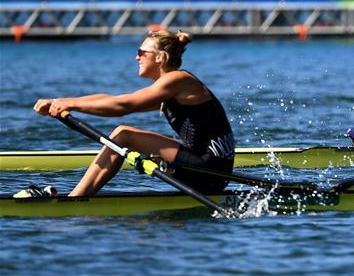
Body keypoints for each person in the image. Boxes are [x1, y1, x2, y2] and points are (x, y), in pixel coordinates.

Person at [32, 29, 235, 196]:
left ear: (160, 58)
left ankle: (76, 199)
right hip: (205, 167)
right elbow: (112, 100)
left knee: (123, 135)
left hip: (210, 170)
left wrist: (70, 105)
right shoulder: (170, 87)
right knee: (123, 136)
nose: (136, 56)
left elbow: (123, 106)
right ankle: (78, 196)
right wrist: (59, 102)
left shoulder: (178, 80)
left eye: (141, 52)